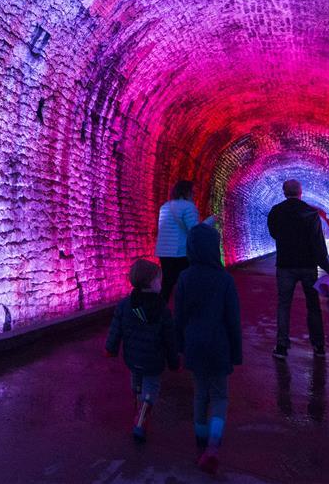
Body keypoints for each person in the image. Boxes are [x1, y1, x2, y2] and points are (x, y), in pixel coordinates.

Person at [175, 223, 242, 475]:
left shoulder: (184, 278)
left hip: (194, 345)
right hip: (219, 346)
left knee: (200, 396)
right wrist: (236, 352)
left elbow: (178, 317)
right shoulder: (225, 280)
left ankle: (199, 447)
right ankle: (214, 446)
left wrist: (179, 348)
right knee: (220, 397)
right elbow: (232, 320)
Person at [105, 259, 179, 443]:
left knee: (136, 381)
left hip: (132, 356)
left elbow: (116, 329)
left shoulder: (125, 305)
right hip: (153, 360)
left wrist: (111, 348)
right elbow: (169, 338)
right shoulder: (162, 309)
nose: (161, 284)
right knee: (151, 387)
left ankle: (138, 406)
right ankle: (142, 414)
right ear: (151, 283)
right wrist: (173, 359)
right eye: (159, 281)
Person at [266, 179, 329, 360]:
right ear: (301, 192)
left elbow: (274, 233)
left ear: (284, 193)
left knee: (284, 305)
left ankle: (282, 347)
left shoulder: (276, 212)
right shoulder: (311, 214)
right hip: (308, 266)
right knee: (313, 306)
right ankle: (319, 346)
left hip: (285, 265)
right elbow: (318, 246)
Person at [155, 180, 215, 303]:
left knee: (167, 283)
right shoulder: (188, 206)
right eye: (192, 192)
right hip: (180, 252)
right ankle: (187, 313)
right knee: (188, 282)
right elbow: (194, 230)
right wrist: (210, 221)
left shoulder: (164, 206)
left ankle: (159, 313)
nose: (193, 195)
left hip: (164, 251)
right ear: (186, 192)